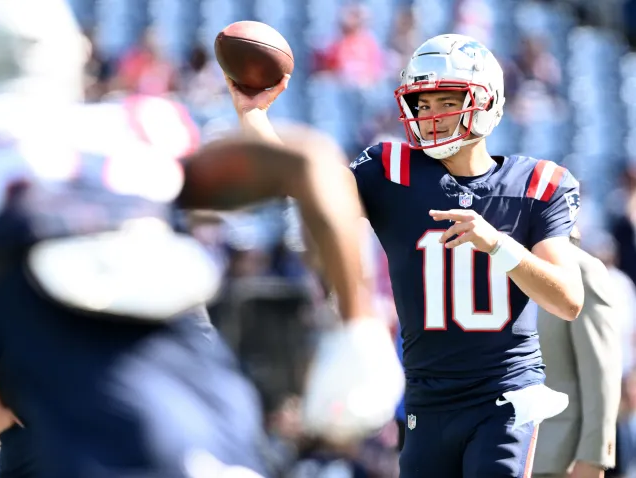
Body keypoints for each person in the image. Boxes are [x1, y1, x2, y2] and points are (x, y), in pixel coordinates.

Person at [0, 0, 404, 476]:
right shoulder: (131, 130)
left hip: (100, 443)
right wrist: (362, 327)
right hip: (222, 425)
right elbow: (310, 160)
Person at [232, 33, 584, 477]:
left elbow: (568, 300)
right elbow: (308, 186)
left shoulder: (538, 184)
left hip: (505, 393)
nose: (432, 116)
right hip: (426, 398)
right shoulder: (391, 172)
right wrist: (254, 116)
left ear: (488, 100)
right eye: (424, 104)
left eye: (446, 100)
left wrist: (498, 244)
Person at [534, 228, 621, 478]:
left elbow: (601, 372)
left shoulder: (582, 270)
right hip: (496, 453)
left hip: (558, 460)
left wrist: (594, 458)